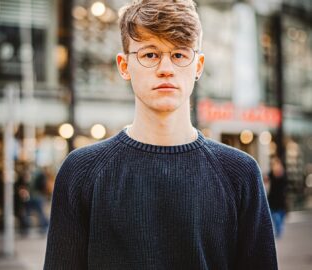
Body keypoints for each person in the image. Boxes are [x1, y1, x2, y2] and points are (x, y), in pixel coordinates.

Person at [44, 1, 277, 269]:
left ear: (198, 65)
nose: (166, 68)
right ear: (124, 65)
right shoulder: (81, 172)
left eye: (179, 55)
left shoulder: (240, 174)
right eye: (150, 54)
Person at [267, 156, 287, 239]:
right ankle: (278, 231)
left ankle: (279, 230)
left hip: (280, 199)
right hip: (272, 199)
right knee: (275, 217)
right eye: (273, 164)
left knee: (280, 217)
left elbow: (284, 186)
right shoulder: (270, 174)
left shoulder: (283, 175)